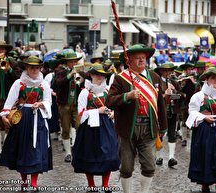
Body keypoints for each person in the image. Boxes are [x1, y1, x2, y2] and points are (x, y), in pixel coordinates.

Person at [106, 44, 167, 193]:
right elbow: (109, 101)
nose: (141, 60)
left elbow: (160, 104)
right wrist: (127, 96)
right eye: (137, 58)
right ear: (129, 61)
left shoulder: (154, 77)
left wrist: (163, 127)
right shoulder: (121, 79)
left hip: (149, 127)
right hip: (128, 128)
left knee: (150, 166)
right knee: (126, 167)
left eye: (143, 58)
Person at [0, 56, 52, 191]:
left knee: (36, 149)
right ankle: (24, 180)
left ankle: (34, 182)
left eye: (37, 68)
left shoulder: (44, 84)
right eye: (31, 67)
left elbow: (48, 101)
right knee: (22, 149)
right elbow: (9, 102)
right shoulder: (19, 83)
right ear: (26, 68)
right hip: (22, 118)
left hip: (38, 118)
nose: (34, 70)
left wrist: (41, 104)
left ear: (40, 68)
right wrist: (5, 116)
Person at [72, 63, 120, 193]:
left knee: (109, 153)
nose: (99, 77)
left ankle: (105, 185)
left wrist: (113, 113)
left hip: (107, 126)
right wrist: (97, 111)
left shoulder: (107, 91)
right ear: (91, 75)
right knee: (90, 154)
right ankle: (91, 186)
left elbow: (115, 106)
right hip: (89, 128)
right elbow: (81, 114)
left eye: (102, 75)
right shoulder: (84, 93)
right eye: (97, 75)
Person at [54, 51, 82, 162]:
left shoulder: (79, 71)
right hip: (64, 104)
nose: (74, 63)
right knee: (65, 129)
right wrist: (70, 75)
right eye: (71, 62)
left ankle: (76, 148)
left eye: (75, 61)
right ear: (67, 62)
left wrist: (81, 79)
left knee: (79, 126)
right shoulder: (60, 71)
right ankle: (68, 153)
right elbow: (57, 84)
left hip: (76, 104)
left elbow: (83, 86)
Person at [154, 62, 182, 167]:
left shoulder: (174, 82)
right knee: (160, 134)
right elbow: (154, 96)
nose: (168, 73)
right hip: (161, 112)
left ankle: (171, 157)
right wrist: (165, 94)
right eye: (166, 70)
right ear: (161, 71)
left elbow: (182, 95)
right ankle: (159, 156)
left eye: (170, 70)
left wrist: (175, 91)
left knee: (172, 134)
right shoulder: (156, 82)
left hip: (172, 111)